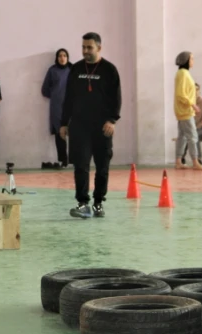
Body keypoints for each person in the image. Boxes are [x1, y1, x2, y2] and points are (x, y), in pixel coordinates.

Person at [60, 32, 121, 218]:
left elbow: (116, 98)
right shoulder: (76, 69)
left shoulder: (109, 70)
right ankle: (83, 203)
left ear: (99, 48)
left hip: (102, 127)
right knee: (81, 166)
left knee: (102, 167)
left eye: (89, 47)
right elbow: (68, 98)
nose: (85, 51)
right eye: (83, 47)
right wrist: (64, 123)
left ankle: (98, 203)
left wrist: (112, 120)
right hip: (79, 126)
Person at [173, 51, 202, 170]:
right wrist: (193, 105)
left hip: (183, 110)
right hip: (185, 111)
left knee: (182, 137)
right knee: (193, 136)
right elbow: (181, 94)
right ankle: (195, 162)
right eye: (191, 58)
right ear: (186, 60)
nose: (193, 61)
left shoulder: (183, 73)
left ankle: (178, 161)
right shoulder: (183, 74)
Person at [42, 48, 72, 167]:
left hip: (71, 106)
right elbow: (45, 89)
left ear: (67, 57)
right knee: (60, 133)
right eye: (60, 55)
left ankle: (75, 160)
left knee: (74, 132)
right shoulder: (52, 70)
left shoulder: (73, 69)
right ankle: (63, 160)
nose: (62, 58)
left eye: (65, 55)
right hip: (57, 107)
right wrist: (55, 95)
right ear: (56, 58)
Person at [181, 83, 202, 165]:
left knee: (194, 134)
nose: (195, 92)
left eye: (197, 90)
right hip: (189, 128)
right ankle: (182, 157)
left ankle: (198, 159)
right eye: (193, 90)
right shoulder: (188, 103)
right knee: (187, 135)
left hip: (201, 129)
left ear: (199, 91)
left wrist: (193, 128)